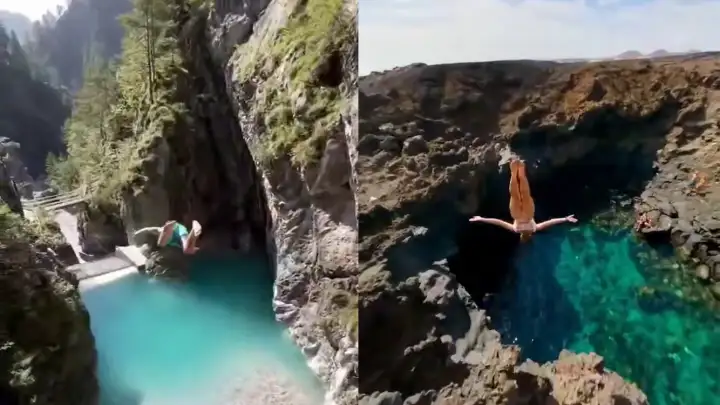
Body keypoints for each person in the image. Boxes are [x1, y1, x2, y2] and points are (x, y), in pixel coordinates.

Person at [469, 159, 577, 241]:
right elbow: (499, 222)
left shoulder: (531, 229)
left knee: (523, 194)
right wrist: (481, 219)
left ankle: (519, 172)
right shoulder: (519, 229)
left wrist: (565, 219)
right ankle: (515, 172)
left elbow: (550, 222)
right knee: (515, 194)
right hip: (519, 214)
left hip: (526, 214)